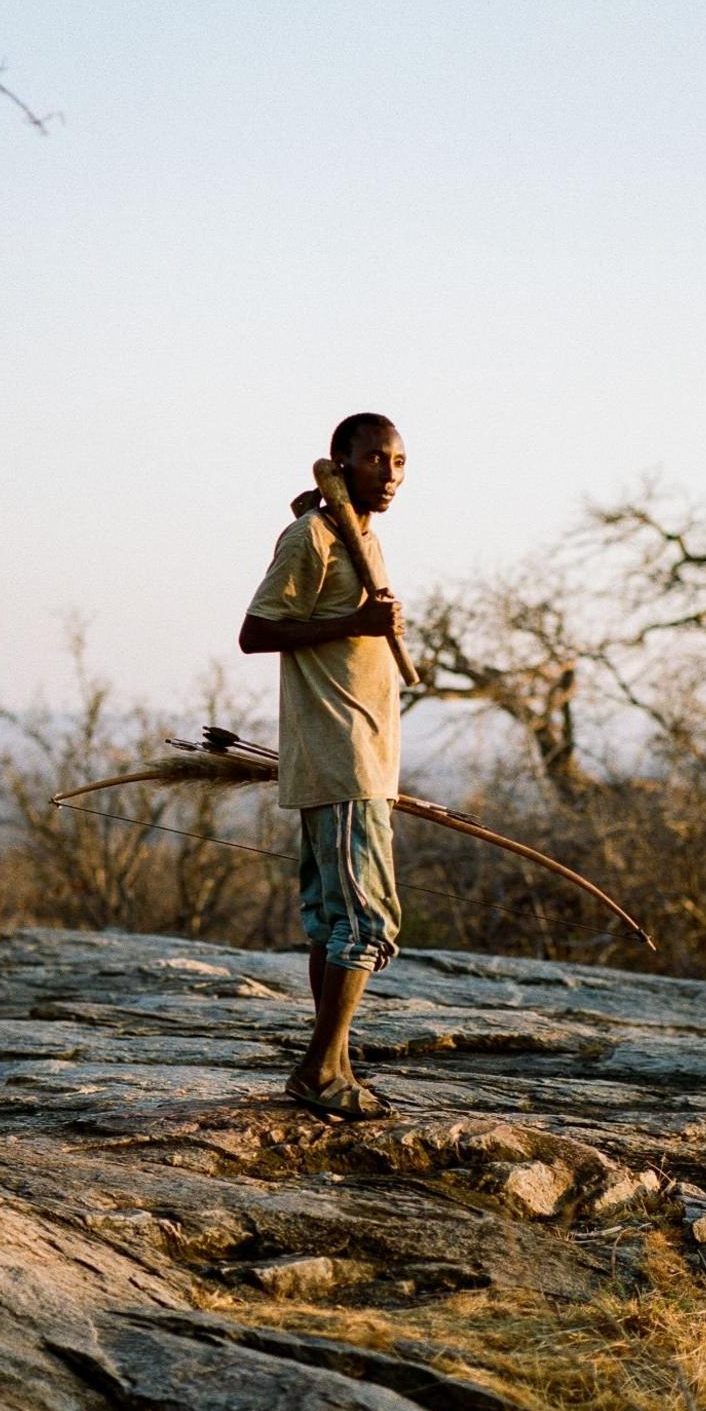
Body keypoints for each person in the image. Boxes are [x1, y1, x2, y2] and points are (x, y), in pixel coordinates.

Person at [239, 413, 408, 1121]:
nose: (391, 474)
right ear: (343, 461)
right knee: (368, 925)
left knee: (331, 921)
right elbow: (256, 631)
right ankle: (318, 1068)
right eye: (376, 460)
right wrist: (355, 625)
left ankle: (332, 1064)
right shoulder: (310, 537)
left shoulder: (355, 534)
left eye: (400, 462)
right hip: (340, 759)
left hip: (363, 759)